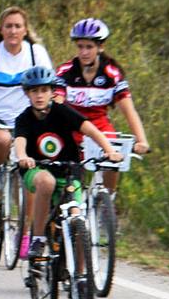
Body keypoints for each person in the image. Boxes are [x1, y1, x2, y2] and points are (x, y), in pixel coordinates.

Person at [13, 66, 123, 260]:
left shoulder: (62, 111)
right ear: (27, 93)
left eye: (44, 90)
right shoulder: (24, 118)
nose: (39, 96)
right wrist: (22, 156)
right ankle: (38, 238)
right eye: (34, 91)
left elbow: (91, 130)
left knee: (77, 220)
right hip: (36, 169)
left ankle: (80, 278)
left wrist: (109, 150)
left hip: (68, 171)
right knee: (46, 182)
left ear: (52, 92)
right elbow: (20, 141)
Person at [0, 7, 53, 212]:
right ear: (1, 30)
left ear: (25, 30)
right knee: (1, 139)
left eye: (17, 26)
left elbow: (51, 87)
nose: (13, 31)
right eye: (9, 26)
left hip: (26, 120)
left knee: (31, 170)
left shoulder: (35, 52)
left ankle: (25, 235)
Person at [55, 18, 151, 192]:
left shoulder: (112, 74)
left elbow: (129, 111)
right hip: (71, 126)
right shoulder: (66, 72)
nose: (84, 52)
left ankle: (105, 205)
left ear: (100, 47)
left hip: (100, 126)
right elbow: (57, 104)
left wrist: (142, 140)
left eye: (89, 47)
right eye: (80, 47)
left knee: (113, 162)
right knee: (67, 178)